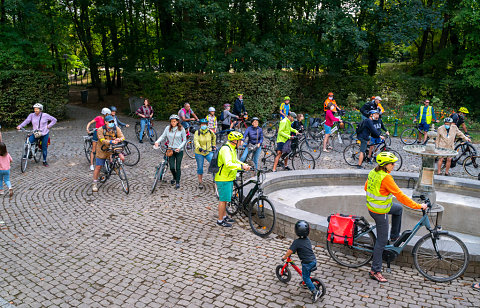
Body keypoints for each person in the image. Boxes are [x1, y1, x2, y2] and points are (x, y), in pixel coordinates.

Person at [365, 152, 427, 282]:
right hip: (379, 211)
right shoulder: (386, 178)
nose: (394, 165)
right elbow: (400, 196)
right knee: (381, 242)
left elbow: (366, 187)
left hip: (374, 207)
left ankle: (394, 237)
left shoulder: (373, 172)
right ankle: (375, 270)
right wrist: (418, 206)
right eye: (392, 163)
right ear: (385, 165)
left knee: (398, 209)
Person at [215, 131, 250, 227]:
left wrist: (243, 164)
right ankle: (220, 220)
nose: (241, 142)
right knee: (223, 200)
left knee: (226, 199)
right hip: (223, 178)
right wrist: (241, 167)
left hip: (229, 177)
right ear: (235, 140)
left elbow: (235, 160)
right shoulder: (226, 150)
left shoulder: (232, 148)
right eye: (240, 140)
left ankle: (225, 216)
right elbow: (228, 164)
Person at [282, 220, 322, 303]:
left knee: (305, 277)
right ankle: (305, 283)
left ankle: (315, 291)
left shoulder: (296, 242)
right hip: (313, 260)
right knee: (307, 274)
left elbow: (290, 251)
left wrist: (284, 257)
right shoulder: (307, 240)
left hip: (307, 263)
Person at [92, 115, 125, 192]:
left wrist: (119, 139)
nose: (112, 123)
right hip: (102, 150)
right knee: (98, 167)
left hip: (112, 149)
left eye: (112, 121)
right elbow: (102, 140)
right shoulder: (100, 130)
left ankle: (116, 167)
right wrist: (111, 141)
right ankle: (94, 183)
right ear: (106, 122)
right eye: (110, 122)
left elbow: (123, 137)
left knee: (122, 158)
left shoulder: (116, 128)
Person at [154, 115, 187, 189]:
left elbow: (184, 140)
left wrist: (179, 147)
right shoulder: (167, 128)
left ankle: (177, 182)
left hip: (179, 151)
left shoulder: (181, 129)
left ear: (177, 121)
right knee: (172, 167)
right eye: (171, 121)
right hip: (170, 150)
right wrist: (157, 141)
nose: (173, 123)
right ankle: (175, 177)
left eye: (174, 121)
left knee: (178, 167)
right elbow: (163, 136)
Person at [194, 118, 216, 189]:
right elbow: (196, 141)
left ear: (207, 125)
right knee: (200, 167)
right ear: (200, 125)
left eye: (205, 124)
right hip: (199, 152)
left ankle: (215, 179)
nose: (204, 125)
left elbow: (214, 137)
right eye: (202, 124)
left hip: (208, 151)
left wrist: (213, 145)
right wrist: (199, 148)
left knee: (214, 164)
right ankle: (200, 182)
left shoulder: (210, 132)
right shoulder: (197, 132)